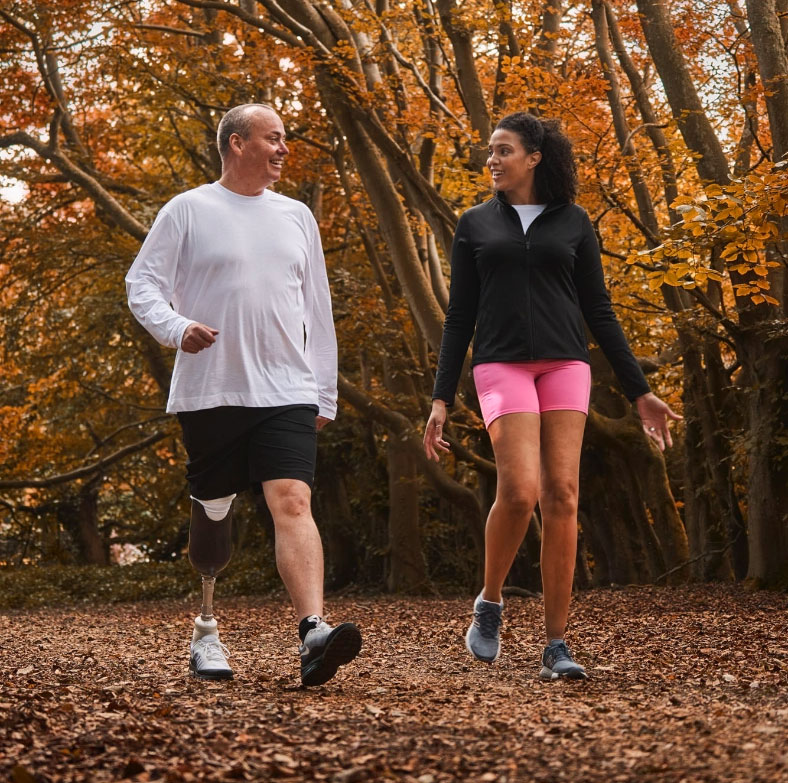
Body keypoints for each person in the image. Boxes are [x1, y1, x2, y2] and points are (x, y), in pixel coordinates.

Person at [423, 112, 680, 680]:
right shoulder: (474, 224)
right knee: (520, 490)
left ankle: (556, 644)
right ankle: (489, 602)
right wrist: (441, 397)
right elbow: (459, 314)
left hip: (566, 364)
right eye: (490, 151)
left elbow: (599, 309)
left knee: (562, 493)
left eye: (503, 150)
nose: (492, 159)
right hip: (500, 365)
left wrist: (639, 391)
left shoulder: (574, 222)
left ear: (534, 157)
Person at [126, 103, 361, 686]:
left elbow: (318, 311)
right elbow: (142, 284)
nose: (284, 149)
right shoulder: (188, 210)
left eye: (284, 139)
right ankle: (206, 630)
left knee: (293, 501)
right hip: (212, 390)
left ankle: (313, 633)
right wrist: (178, 328)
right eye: (273, 138)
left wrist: (323, 393)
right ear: (236, 143)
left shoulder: (297, 216)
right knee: (214, 513)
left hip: (286, 388)